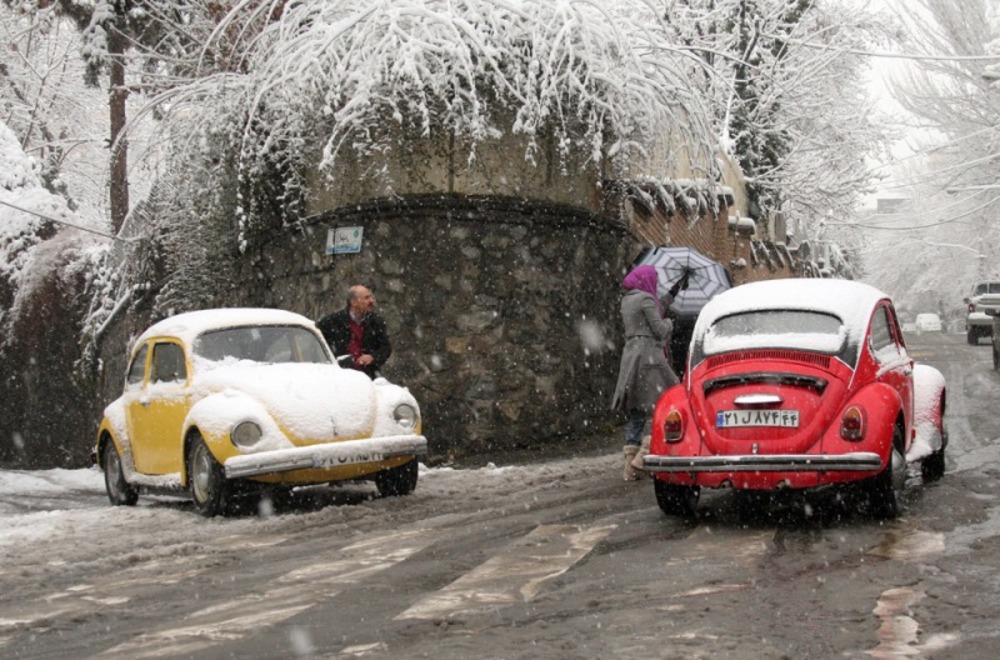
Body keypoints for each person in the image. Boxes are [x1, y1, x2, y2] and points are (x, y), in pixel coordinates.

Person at [611, 265, 685, 481]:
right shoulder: (646, 300)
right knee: (670, 401)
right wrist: (671, 323)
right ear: (647, 280)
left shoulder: (628, 300)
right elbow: (660, 328)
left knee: (637, 410)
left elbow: (654, 309)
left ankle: (629, 468)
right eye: (655, 279)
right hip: (650, 358)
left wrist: (673, 292)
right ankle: (643, 457)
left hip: (632, 357)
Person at [317, 284, 392, 379]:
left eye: (371, 297)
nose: (371, 301)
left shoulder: (376, 322)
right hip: (339, 377)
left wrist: (372, 357)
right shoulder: (331, 322)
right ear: (353, 302)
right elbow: (318, 345)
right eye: (366, 298)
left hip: (368, 377)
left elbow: (386, 348)